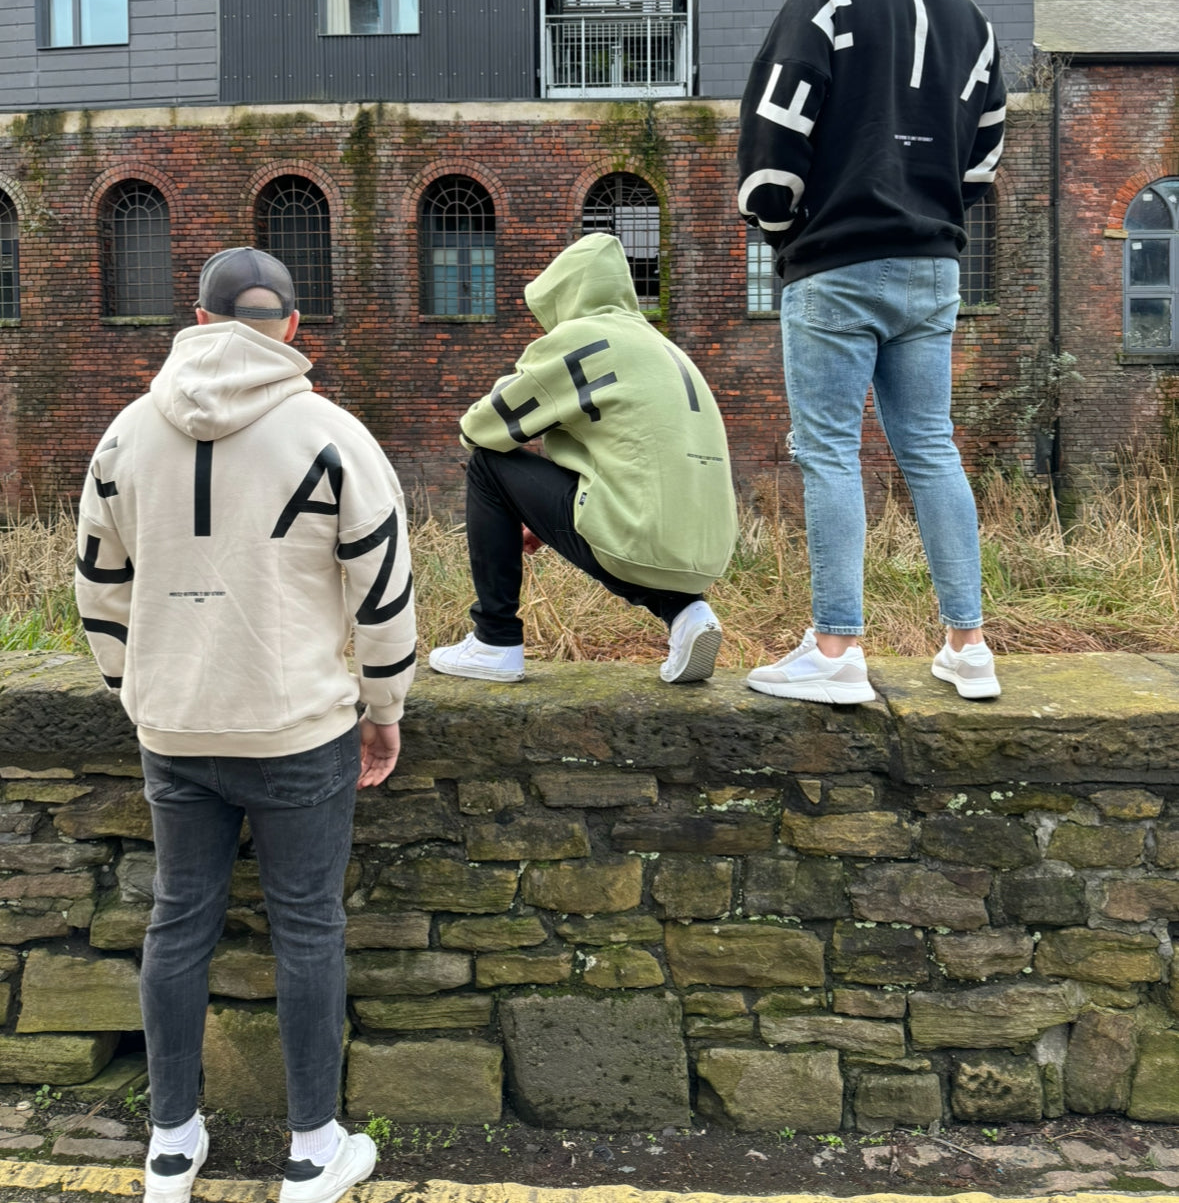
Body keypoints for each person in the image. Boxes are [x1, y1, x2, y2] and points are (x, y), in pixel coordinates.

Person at [75, 248, 416, 1203]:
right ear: (293, 330)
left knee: (177, 921)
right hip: (297, 724)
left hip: (174, 725)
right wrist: (383, 710)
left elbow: (96, 585)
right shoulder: (332, 432)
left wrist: (133, 688)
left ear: (195, 316)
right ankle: (312, 1152)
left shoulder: (124, 436)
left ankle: (172, 1145)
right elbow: (384, 593)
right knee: (309, 927)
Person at [737, 0, 1005, 704]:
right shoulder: (968, 16)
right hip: (931, 264)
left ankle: (836, 647)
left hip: (837, 262)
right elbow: (986, 150)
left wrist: (783, 229)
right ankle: (968, 645)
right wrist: (933, 209)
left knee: (828, 452)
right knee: (930, 448)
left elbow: (773, 142)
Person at [429, 232, 737, 685]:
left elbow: (481, 428)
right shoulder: (665, 348)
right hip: (707, 553)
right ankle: (688, 614)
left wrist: (520, 378)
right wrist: (542, 513)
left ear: (565, 295)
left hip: (637, 534)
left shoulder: (583, 338)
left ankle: (494, 641)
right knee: (639, 537)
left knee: (488, 465)